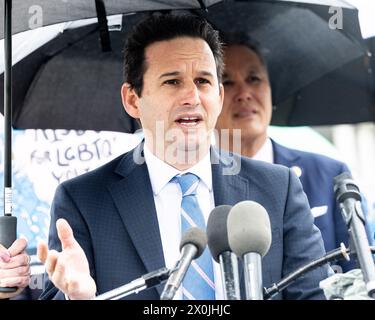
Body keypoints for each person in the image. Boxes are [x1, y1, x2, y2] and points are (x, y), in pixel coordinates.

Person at [0, 14, 331, 300]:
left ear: (218, 95)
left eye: (203, 81)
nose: (191, 97)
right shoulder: (84, 201)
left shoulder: (278, 189)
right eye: (172, 81)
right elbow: (62, 289)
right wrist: (79, 297)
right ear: (133, 99)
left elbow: (315, 293)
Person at [215, 33, 358, 273]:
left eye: (254, 78)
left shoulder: (330, 175)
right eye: (227, 82)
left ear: (271, 90)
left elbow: (358, 271)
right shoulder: (196, 185)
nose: (244, 93)